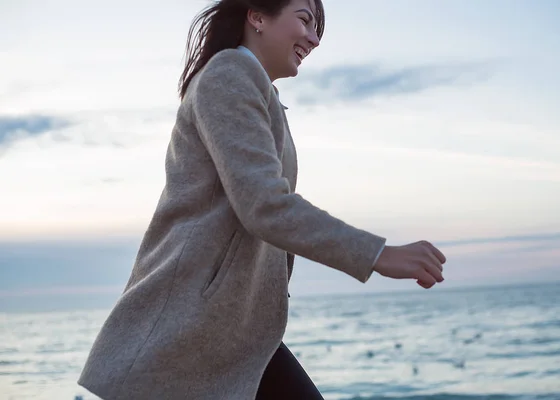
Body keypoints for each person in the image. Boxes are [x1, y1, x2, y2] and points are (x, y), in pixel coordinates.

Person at [77, 0, 446, 399]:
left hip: (235, 330)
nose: (314, 38)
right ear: (256, 16)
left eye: (316, 27)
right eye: (304, 20)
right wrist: (377, 254)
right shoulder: (228, 74)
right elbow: (265, 205)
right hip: (191, 326)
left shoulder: (258, 91)